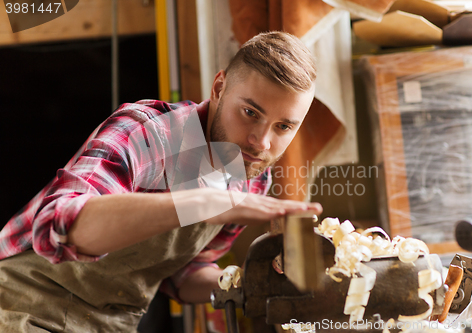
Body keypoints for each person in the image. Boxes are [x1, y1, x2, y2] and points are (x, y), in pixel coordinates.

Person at [0, 31, 322, 332]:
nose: (261, 142)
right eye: (250, 112)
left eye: (283, 127)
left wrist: (249, 284)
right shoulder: (149, 133)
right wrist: (206, 202)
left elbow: (181, 274)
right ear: (220, 87)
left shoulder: (251, 177)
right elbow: (56, 224)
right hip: (20, 308)